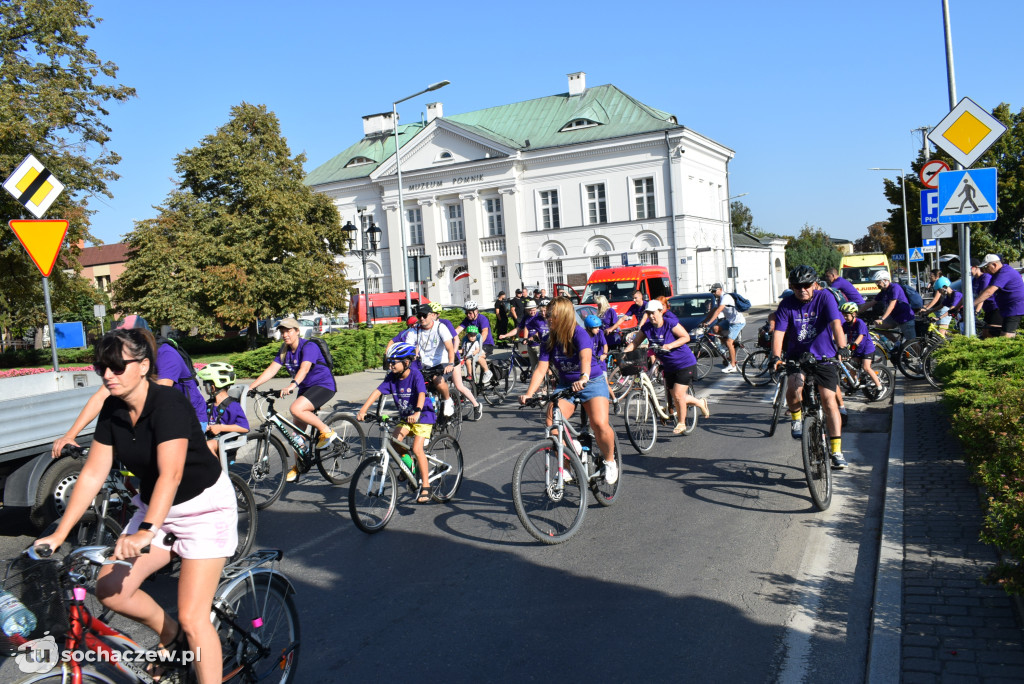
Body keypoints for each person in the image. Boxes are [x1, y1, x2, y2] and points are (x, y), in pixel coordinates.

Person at [35, 328, 235, 684]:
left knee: (194, 617)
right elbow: (93, 473)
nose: (108, 375)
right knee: (110, 590)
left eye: (116, 367)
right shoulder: (113, 408)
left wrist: (146, 531)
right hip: (156, 510)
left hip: (203, 511)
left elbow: (170, 475)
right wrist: (59, 533)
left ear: (143, 366)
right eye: (101, 368)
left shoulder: (168, 404)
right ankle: (171, 636)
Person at [51, 315, 208, 458]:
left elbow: (159, 399)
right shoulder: (126, 360)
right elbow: (99, 398)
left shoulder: (166, 355)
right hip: (154, 417)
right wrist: (70, 435)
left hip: (189, 418)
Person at [519, 297, 618, 484]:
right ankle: (566, 468)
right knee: (552, 424)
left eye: (551, 315)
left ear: (562, 316)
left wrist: (584, 377)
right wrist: (529, 393)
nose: (547, 318)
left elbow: (586, 359)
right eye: (547, 315)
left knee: (599, 423)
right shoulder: (548, 340)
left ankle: (610, 461)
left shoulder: (580, 334)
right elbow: (541, 369)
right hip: (566, 385)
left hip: (592, 381)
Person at [771, 265, 850, 469]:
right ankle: (796, 419)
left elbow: (835, 324)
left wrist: (842, 348)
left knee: (829, 400)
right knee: (794, 389)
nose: (802, 289)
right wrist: (776, 357)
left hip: (825, 356)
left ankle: (836, 450)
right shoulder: (787, 304)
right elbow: (779, 332)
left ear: (815, 284)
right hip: (798, 357)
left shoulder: (825, 297)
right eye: (797, 286)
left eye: (806, 285)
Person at [247, 318, 338, 481]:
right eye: (282, 331)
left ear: (297, 331)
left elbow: (304, 368)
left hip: (323, 385)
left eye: (288, 331)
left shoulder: (308, 346)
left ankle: (327, 431)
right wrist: (251, 387)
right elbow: (271, 370)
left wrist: (292, 385)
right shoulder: (285, 350)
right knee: (296, 436)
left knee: (295, 409)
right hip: (306, 389)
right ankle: (299, 466)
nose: (285, 334)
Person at [356, 343, 436, 503]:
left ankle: (426, 486)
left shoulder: (415, 374)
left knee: (417, 448)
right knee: (394, 441)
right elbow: (377, 391)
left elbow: (421, 393)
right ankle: (409, 464)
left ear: (406, 362)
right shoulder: (392, 377)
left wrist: (418, 411)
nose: (390, 365)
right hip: (406, 417)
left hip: (423, 416)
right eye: (389, 362)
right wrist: (363, 409)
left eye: (394, 362)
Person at [623, 299, 709, 433]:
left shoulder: (670, 323)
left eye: (653, 313)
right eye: (648, 313)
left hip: (684, 363)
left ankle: (681, 423)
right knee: (675, 397)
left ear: (660, 312)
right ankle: (699, 403)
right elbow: (635, 343)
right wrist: (624, 353)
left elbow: (685, 337)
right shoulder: (647, 327)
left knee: (679, 395)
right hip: (668, 366)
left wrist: (670, 345)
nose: (651, 316)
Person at [197, 362, 249, 458]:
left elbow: (244, 427)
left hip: (225, 440)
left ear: (212, 387)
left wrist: (220, 427)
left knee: (208, 446)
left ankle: (217, 472)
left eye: (206, 384)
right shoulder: (210, 404)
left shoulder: (233, 406)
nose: (205, 387)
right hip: (212, 438)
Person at [974, 253, 1024, 338]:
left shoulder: (1005, 272)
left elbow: (989, 292)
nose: (985, 270)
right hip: (1006, 309)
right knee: (989, 332)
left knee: (1006, 337)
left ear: (994, 264)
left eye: (986, 267)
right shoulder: (997, 273)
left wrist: (971, 305)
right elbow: (987, 289)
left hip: (1014, 308)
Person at [700, 283, 746, 374]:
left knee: (729, 342)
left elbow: (718, 311)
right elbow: (713, 310)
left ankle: (733, 366)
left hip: (737, 322)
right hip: (729, 321)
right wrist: (704, 321)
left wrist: (708, 323)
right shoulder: (720, 299)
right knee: (716, 328)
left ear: (720, 289)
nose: (713, 293)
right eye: (712, 291)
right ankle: (728, 347)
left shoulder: (726, 297)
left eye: (714, 291)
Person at [840, 302, 883, 393]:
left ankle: (879, 386)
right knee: (850, 366)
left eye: (846, 315)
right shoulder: (846, 324)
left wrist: (854, 343)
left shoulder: (860, 323)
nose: (844, 317)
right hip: (856, 350)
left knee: (866, 367)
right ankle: (855, 384)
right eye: (843, 315)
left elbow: (861, 335)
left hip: (866, 349)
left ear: (854, 314)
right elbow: (839, 334)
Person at [872, 270, 916, 348]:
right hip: (894, 317)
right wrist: (857, 312)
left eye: (878, 282)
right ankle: (897, 343)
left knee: (912, 342)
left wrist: (882, 319)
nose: (877, 284)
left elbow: (892, 305)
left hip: (905, 318)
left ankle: (922, 358)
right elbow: (872, 302)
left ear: (885, 280)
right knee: (878, 327)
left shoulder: (895, 287)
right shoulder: (884, 291)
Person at [455, 300, 494, 383]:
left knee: (478, 357)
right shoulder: (467, 320)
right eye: (466, 313)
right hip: (472, 345)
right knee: (467, 359)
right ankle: (472, 381)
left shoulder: (482, 319)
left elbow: (484, 332)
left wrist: (479, 344)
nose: (468, 315)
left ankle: (487, 372)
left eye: (470, 313)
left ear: (476, 311)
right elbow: (458, 330)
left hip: (486, 344)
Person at [970, 257, 999, 336]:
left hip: (995, 308)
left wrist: (976, 311)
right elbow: (968, 295)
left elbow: (983, 295)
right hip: (987, 309)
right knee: (985, 333)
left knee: (990, 333)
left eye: (969, 268)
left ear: (975, 267)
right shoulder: (974, 280)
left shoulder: (985, 277)